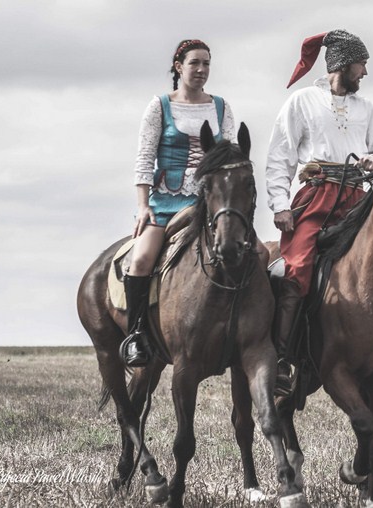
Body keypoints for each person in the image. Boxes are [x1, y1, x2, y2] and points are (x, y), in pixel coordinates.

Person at [265, 29, 373, 395]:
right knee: (296, 268)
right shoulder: (301, 101)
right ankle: (282, 361)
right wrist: (280, 205)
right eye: (361, 64)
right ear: (342, 64)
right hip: (316, 198)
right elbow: (279, 156)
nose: (364, 72)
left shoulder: (367, 109)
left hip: (357, 198)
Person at [120, 39, 235, 366]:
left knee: (247, 253)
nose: (201, 70)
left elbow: (228, 156)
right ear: (178, 66)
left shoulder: (222, 107)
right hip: (166, 203)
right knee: (141, 260)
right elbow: (144, 159)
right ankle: (137, 335)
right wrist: (143, 207)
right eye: (195, 63)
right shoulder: (159, 106)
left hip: (209, 204)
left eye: (206, 64)